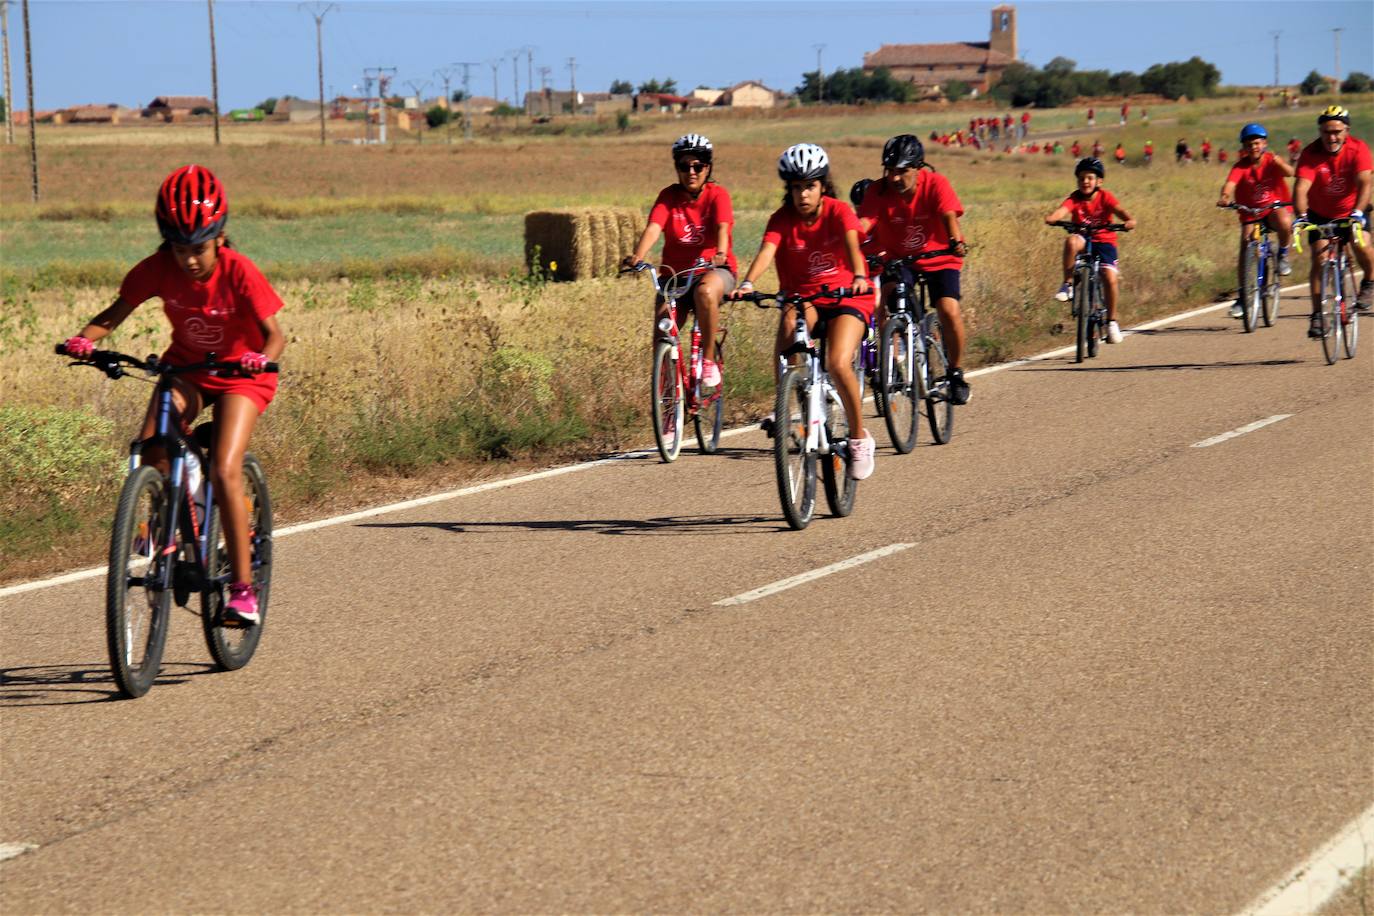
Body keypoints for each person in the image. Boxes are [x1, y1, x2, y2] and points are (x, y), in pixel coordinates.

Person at [62, 165, 285, 626]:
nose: (189, 260)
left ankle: (242, 591)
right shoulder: (157, 269)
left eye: (199, 248)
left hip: (241, 375)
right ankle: (167, 522)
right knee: (151, 445)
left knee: (225, 466)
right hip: (187, 368)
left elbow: (274, 336)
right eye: (180, 249)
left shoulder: (240, 271)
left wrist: (260, 358)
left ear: (220, 237)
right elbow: (115, 312)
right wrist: (85, 340)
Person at [730, 143, 876, 479]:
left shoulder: (839, 211)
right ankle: (785, 405)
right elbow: (767, 250)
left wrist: (857, 276)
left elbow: (854, 247)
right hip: (805, 298)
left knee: (838, 362)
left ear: (823, 185)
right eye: (795, 188)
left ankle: (858, 438)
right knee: (788, 324)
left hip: (846, 297)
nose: (803, 195)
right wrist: (749, 283)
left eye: (809, 186)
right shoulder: (781, 219)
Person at [856, 134, 972, 406]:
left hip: (940, 257)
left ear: (918, 168)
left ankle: (955, 372)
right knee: (889, 300)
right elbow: (864, 223)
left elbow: (948, 216)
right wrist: (844, 242)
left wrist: (955, 240)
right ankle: (901, 355)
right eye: (890, 171)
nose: (895, 178)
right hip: (899, 259)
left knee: (948, 309)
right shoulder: (878, 191)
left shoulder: (936, 184)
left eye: (902, 171)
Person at [623, 134, 736, 388]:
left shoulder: (718, 195)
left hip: (714, 270)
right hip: (675, 275)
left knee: (705, 292)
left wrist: (720, 252)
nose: (691, 172)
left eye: (697, 166)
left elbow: (722, 227)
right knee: (663, 330)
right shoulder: (668, 196)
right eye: (684, 166)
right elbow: (654, 227)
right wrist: (638, 256)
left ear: (707, 168)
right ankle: (668, 403)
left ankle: (707, 360)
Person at [1293, 105, 1374, 325]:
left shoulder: (1358, 149)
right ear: (1320, 131)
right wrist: (1300, 216)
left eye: (1337, 132)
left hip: (1353, 209)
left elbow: (1365, 183)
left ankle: (1369, 281)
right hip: (1320, 213)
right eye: (1327, 132)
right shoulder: (1311, 153)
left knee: (1361, 243)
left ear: (1346, 131)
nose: (1332, 137)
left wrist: (1358, 212)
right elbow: (1301, 188)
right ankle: (1318, 315)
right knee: (1319, 258)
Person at [1046, 157, 1137, 344]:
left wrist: (1129, 221)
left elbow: (1121, 212)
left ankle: (1111, 322)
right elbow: (1062, 211)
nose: (1085, 182)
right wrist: (1052, 218)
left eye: (1089, 178)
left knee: (1109, 278)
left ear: (1099, 181)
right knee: (1071, 241)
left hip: (1105, 241)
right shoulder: (1075, 198)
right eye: (1081, 178)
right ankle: (1068, 284)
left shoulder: (1106, 197)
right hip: (1083, 238)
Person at [1216, 123, 1295, 318]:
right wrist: (1225, 197)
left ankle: (1283, 254)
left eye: (1257, 143)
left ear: (1264, 143)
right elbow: (1230, 184)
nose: (1254, 148)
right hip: (1250, 212)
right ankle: (1243, 296)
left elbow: (1290, 172)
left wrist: (1279, 162)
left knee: (1285, 222)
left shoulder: (1271, 161)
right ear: (1244, 147)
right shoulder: (1240, 166)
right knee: (1246, 243)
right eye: (1249, 144)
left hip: (1272, 207)